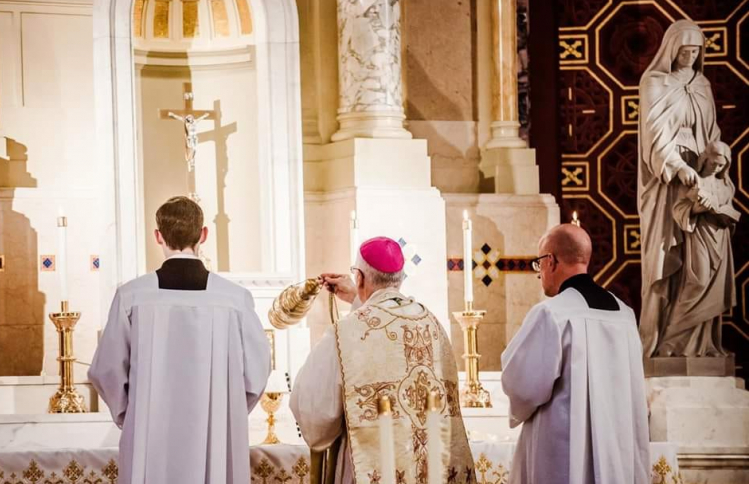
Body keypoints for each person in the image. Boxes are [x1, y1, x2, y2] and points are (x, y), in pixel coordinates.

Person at [88, 196, 271, 484]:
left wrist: (133, 416)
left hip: (149, 437)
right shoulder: (234, 299)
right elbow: (257, 373)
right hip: (217, 436)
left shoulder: (132, 296)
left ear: (158, 236)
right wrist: (228, 411)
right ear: (203, 235)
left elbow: (106, 370)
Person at [290, 237, 476, 484]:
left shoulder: (347, 332)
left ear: (360, 278)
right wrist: (358, 298)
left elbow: (313, 409)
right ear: (399, 278)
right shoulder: (432, 323)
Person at [501, 224, 650, 484]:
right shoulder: (624, 314)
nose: (540, 274)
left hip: (563, 453)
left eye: (539, 264)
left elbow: (522, 386)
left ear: (550, 261)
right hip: (617, 450)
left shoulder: (552, 313)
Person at [638, 20, 722, 356]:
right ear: (671, 49)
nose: (689, 56)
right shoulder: (654, 82)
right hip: (666, 184)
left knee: (701, 263)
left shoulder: (702, 84)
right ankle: (659, 341)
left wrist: (716, 170)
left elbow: (712, 132)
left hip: (700, 182)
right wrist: (679, 167)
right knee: (663, 259)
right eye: (684, 50)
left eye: (695, 51)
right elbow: (654, 135)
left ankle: (695, 343)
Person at [664, 141, 739, 356]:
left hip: (720, 239)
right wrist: (697, 207)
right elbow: (679, 210)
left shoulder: (726, 186)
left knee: (715, 290)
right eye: (713, 164)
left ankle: (708, 345)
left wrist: (724, 213)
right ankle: (672, 340)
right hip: (699, 236)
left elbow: (730, 212)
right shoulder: (692, 181)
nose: (716, 168)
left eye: (720, 166)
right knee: (698, 282)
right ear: (705, 160)